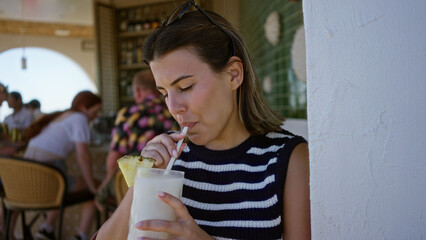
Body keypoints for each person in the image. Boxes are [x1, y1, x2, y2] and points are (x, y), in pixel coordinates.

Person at [96, 2, 310, 240]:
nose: (174, 108)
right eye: (164, 93)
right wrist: (144, 180)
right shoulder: (170, 161)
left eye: (185, 87)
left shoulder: (288, 159)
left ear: (233, 75)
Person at [22, 91, 102, 240]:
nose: (96, 116)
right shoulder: (79, 118)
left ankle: (46, 229)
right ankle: (82, 236)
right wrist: (93, 187)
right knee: (95, 190)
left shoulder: (60, 117)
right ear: (84, 107)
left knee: (60, 184)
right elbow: (83, 156)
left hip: (25, 184)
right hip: (46, 180)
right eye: (95, 111)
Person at [96, 69, 176, 210]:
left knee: (102, 198)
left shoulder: (128, 114)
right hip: (168, 182)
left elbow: (115, 155)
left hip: (132, 181)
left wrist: (107, 181)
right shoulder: (173, 111)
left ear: (138, 91)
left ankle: (116, 227)